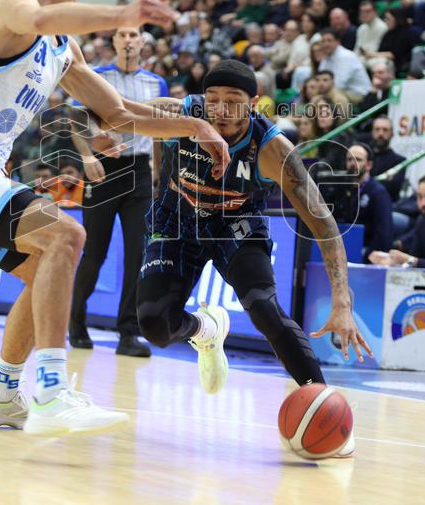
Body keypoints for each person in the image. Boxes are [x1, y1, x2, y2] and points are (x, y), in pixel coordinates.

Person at [0, 0, 230, 435]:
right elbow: (41, 16)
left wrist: (192, 125)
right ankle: (52, 391)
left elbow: (119, 113)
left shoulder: (63, 49)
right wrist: (124, 14)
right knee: (67, 234)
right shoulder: (11, 9)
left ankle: (0, 394)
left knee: (43, 274)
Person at [137, 61, 370, 458]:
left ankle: (323, 406)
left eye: (233, 102)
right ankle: (206, 329)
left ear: (254, 104)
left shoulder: (273, 149)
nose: (221, 111)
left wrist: (342, 303)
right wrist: (161, 182)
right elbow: (132, 122)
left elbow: (325, 225)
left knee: (264, 309)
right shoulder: (178, 115)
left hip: (235, 224)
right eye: (213, 101)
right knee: (154, 326)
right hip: (178, 218)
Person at [69, 25, 168, 358]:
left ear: (142, 43)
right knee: (94, 252)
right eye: (122, 35)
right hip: (103, 168)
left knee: (137, 255)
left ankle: (129, 332)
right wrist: (85, 156)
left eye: (133, 35)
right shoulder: (96, 76)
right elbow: (77, 117)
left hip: (139, 172)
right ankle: (75, 319)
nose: (128, 40)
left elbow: (158, 133)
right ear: (114, 41)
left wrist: (159, 177)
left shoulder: (157, 83)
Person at [317, 28, 371, 103]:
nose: (326, 44)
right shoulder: (326, 57)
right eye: (323, 41)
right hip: (342, 91)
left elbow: (340, 83)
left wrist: (322, 89)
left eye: (329, 40)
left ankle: (342, 115)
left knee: (334, 95)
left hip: (359, 94)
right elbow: (320, 77)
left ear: (337, 42)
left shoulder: (346, 56)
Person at [369, 116, 406, 201]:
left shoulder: (399, 161)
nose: (381, 133)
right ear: (372, 132)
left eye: (385, 130)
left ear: (392, 134)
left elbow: (393, 188)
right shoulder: (364, 157)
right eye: (377, 129)